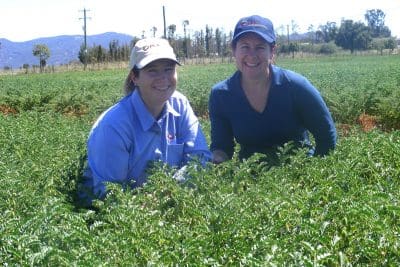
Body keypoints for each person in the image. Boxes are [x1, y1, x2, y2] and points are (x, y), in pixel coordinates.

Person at [80, 38, 212, 205]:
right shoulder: (113, 126)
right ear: (135, 77)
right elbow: (109, 193)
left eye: (168, 69)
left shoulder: (180, 105)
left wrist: (170, 190)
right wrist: (155, 202)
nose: (163, 78)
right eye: (152, 71)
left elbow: (200, 158)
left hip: (168, 204)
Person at [209, 15, 337, 164]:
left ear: (272, 51)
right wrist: (214, 166)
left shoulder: (296, 87)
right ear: (234, 50)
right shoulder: (221, 95)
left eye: (260, 47)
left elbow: (326, 136)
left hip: (299, 173)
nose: (252, 55)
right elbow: (222, 146)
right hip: (250, 177)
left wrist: (314, 176)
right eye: (245, 47)